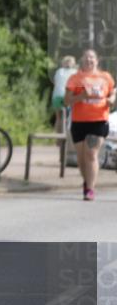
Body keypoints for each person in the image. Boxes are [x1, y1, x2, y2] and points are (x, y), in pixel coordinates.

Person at [64, 49, 115, 201]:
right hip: (79, 122)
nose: (89, 60)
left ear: (97, 61)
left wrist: (112, 99)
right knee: (81, 158)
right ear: (82, 61)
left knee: (91, 154)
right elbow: (67, 101)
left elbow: (111, 92)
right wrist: (81, 96)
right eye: (86, 58)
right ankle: (87, 182)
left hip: (98, 121)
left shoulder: (105, 78)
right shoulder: (77, 80)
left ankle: (90, 190)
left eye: (92, 58)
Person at [52, 55, 78, 135]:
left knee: (58, 118)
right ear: (73, 64)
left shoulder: (58, 71)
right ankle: (67, 137)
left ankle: (57, 139)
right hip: (68, 96)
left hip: (56, 96)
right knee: (69, 117)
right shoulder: (75, 72)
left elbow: (55, 82)